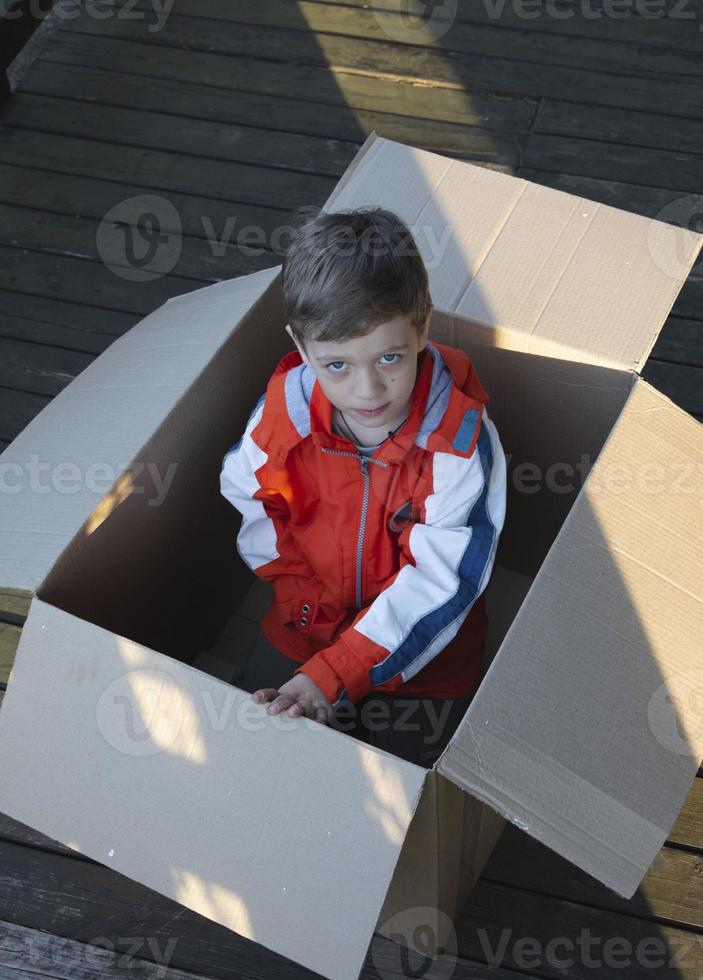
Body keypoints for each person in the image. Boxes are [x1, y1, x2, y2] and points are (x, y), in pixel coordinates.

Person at [220, 206, 507, 768]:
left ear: (423, 325)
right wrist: (311, 623)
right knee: (249, 736)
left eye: (390, 357)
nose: (368, 389)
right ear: (302, 349)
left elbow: (442, 580)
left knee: (405, 778)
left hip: (425, 656)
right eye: (337, 366)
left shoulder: (460, 445)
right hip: (304, 624)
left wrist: (339, 671)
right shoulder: (281, 421)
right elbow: (255, 506)